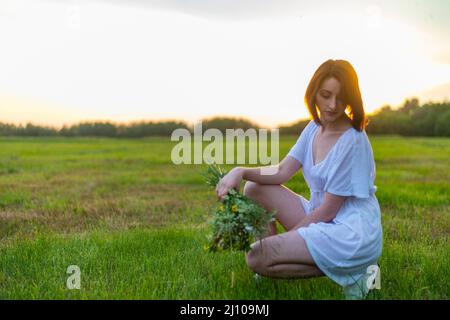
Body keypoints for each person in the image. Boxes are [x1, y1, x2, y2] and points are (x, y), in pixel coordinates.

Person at [215, 59, 382, 299]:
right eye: (326, 95)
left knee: (255, 256)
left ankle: (356, 271)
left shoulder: (352, 141)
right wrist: (240, 171)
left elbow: (327, 212)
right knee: (254, 188)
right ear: (314, 92)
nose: (333, 105)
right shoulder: (315, 127)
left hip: (350, 232)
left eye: (341, 97)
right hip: (325, 218)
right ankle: (273, 260)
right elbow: (283, 170)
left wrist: (287, 238)